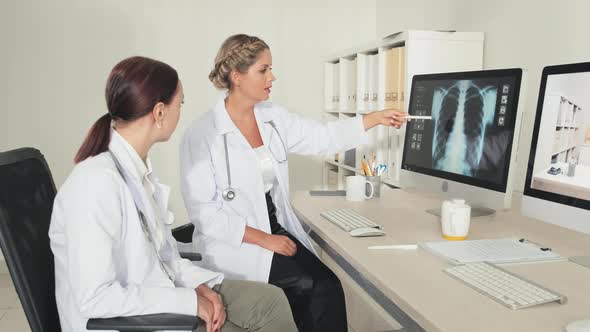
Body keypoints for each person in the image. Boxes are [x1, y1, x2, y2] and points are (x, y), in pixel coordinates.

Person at [49, 56, 297, 332]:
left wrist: (200, 287)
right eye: (179, 103)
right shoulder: (94, 184)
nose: (181, 111)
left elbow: (164, 259)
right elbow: (95, 298)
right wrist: (188, 302)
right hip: (130, 321)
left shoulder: (139, 174)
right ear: (159, 112)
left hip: (160, 291)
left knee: (271, 301)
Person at [179, 34, 407, 332]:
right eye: (263, 70)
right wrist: (265, 240)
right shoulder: (201, 134)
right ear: (236, 76)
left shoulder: (272, 118)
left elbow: (322, 138)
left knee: (327, 284)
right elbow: (204, 216)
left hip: (273, 223)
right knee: (308, 285)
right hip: (235, 240)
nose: (272, 77)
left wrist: (373, 119)